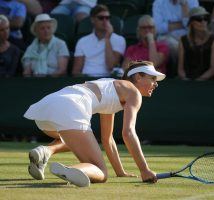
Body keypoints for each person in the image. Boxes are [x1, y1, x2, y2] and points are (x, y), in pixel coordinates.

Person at [24, 60, 164, 187]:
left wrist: (120, 172)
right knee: (101, 173)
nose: (156, 83)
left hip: (46, 108)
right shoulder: (134, 93)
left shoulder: (112, 86)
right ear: (138, 77)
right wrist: (144, 170)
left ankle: (45, 152)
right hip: (71, 107)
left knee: (77, 140)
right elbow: (128, 133)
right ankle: (73, 170)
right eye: (152, 78)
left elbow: (107, 139)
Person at [72, 4, 126, 77]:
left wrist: (107, 39)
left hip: (107, 80)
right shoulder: (82, 41)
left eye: (107, 18)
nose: (105, 21)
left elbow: (111, 66)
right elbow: (76, 71)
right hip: (85, 80)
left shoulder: (119, 39)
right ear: (92, 20)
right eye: (101, 18)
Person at [178, 7, 214, 80]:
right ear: (192, 22)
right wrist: (185, 79)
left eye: (205, 18)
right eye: (199, 19)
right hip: (186, 81)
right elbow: (180, 69)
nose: (203, 22)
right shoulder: (183, 40)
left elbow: (213, 69)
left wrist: (199, 81)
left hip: (208, 81)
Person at [152, 0, 199, 65]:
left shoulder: (192, 1)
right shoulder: (158, 2)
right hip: (166, 36)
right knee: (175, 46)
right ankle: (182, 70)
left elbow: (192, 26)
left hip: (188, 36)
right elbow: (158, 28)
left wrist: (184, 6)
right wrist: (182, 24)